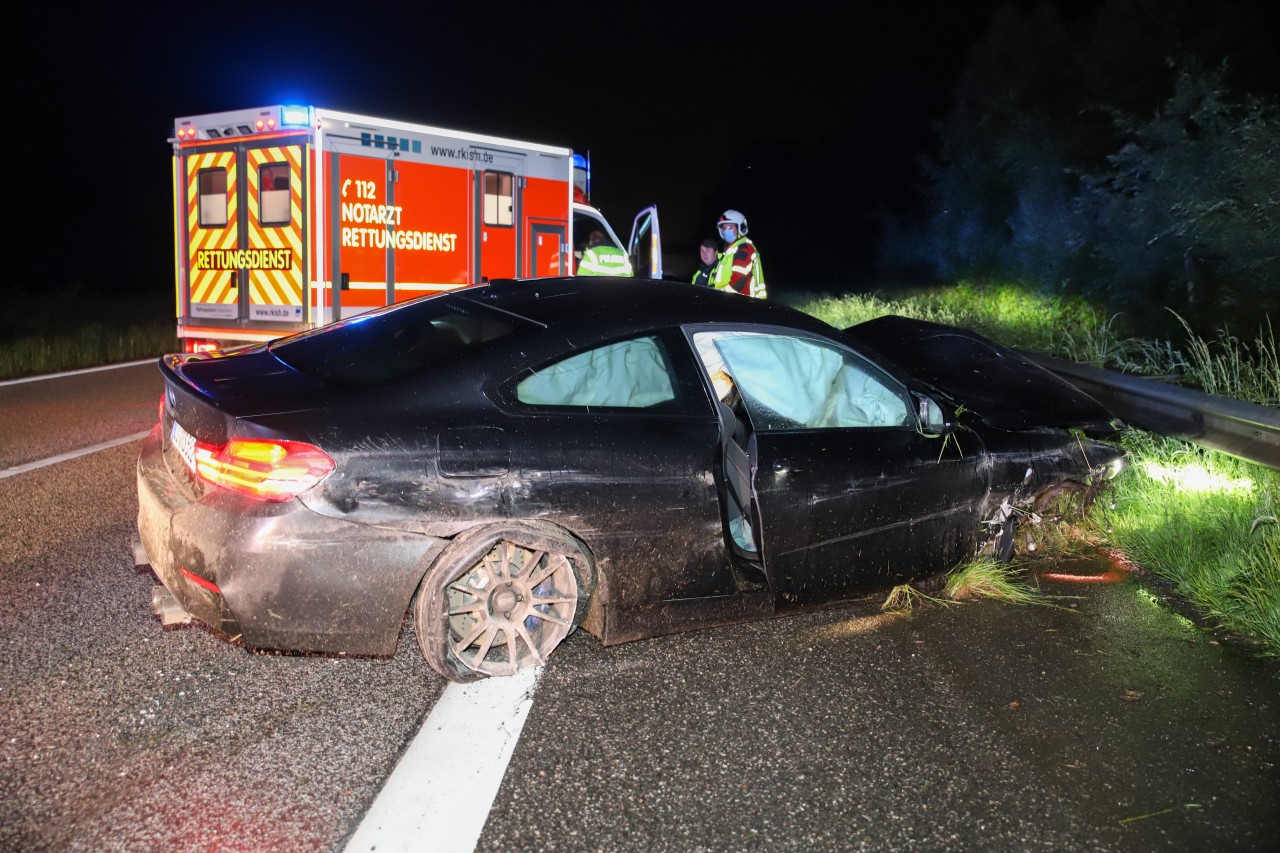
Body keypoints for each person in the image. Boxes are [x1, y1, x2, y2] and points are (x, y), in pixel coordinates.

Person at [710, 209, 766, 298]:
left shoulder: (744, 248)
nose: (725, 230)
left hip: (746, 303)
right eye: (724, 228)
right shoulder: (730, 251)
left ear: (741, 228)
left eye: (729, 227)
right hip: (733, 301)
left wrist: (719, 297)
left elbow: (738, 281)